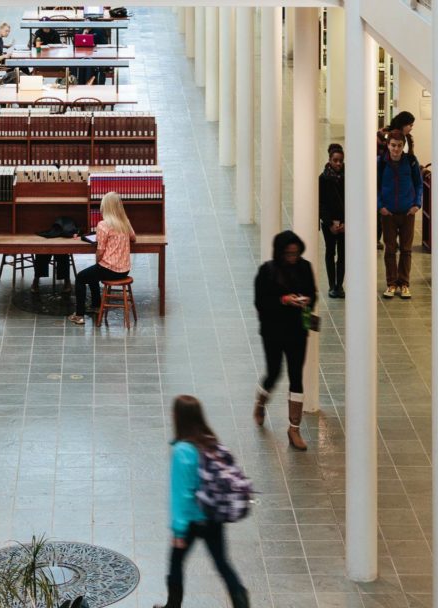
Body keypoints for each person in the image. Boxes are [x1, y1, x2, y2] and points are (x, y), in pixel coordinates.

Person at [154, 395, 249, 608]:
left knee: (176, 564)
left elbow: (182, 494)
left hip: (191, 522)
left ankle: (172, 605)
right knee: (223, 564)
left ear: (177, 417)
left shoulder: (182, 451)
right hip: (213, 515)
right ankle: (242, 603)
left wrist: (178, 531)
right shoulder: (209, 442)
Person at [252, 231, 317, 451]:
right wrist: (283, 300)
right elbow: (261, 302)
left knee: (296, 375)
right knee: (274, 371)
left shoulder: (305, 267)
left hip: (297, 329)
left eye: (296, 253)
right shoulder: (267, 272)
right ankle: (261, 402)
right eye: (288, 253)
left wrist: (307, 300)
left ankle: (294, 428)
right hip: (273, 330)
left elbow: (313, 294)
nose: (292, 257)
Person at [68, 192, 135, 325]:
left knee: (81, 277)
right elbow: (133, 238)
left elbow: (100, 250)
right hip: (124, 270)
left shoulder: (103, 225)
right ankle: (96, 305)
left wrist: (98, 262)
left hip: (110, 268)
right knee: (92, 274)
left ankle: (79, 315)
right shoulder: (125, 222)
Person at [378, 129, 423, 299]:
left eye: (399, 146)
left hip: (407, 213)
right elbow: (375, 185)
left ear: (403, 146)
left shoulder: (411, 162)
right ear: (388, 145)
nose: (396, 149)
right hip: (388, 213)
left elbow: (418, 184)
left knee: (406, 250)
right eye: (393, 145)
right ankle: (391, 284)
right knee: (390, 250)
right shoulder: (381, 163)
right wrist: (380, 206)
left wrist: (416, 204)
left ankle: (404, 283)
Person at [375, 111, 416, 249]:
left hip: (403, 179)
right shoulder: (384, 134)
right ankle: (379, 238)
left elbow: (410, 157)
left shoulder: (408, 138)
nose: (411, 127)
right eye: (409, 124)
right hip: (386, 177)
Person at [319, 143, 346, 298]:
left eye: (340, 161)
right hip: (329, 224)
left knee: (343, 254)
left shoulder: (347, 177)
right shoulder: (323, 179)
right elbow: (321, 203)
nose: (338, 163)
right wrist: (329, 223)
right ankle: (331, 284)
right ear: (329, 160)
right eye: (335, 160)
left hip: (344, 224)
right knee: (330, 252)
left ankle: (339, 285)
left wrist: (345, 223)